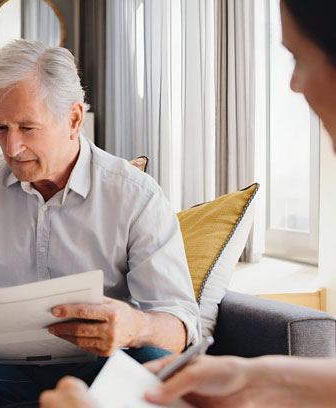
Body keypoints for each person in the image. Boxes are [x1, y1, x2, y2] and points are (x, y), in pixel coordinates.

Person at [40, 0, 336, 406]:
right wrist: (255, 374)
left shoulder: (134, 193)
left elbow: (177, 317)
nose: (294, 85)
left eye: (298, 57)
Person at [0, 39, 200, 407]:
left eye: (27, 127)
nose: (11, 147)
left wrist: (139, 327)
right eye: (0, 128)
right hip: (0, 371)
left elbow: (181, 325)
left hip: (97, 369)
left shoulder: (136, 196)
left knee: (151, 363)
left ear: (73, 119)